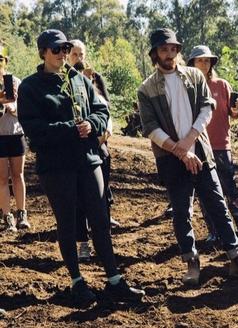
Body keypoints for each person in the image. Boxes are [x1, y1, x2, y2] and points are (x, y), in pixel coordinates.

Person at [18, 29, 144, 307]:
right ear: (42, 52)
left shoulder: (78, 79)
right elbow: (34, 130)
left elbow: (102, 110)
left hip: (89, 161)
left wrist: (93, 124)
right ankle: (77, 281)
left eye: (65, 49)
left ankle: (114, 280)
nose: (62, 55)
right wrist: (72, 130)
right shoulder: (30, 87)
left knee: (100, 219)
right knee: (67, 223)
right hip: (56, 167)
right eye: (56, 50)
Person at [137, 28, 238, 285]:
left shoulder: (195, 76)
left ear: (178, 50)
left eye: (173, 48)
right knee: (181, 211)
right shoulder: (147, 89)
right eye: (163, 49)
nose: (169, 54)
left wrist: (189, 143)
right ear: (155, 53)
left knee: (218, 206)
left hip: (201, 151)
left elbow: (207, 108)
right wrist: (179, 150)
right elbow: (150, 128)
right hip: (170, 157)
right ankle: (191, 262)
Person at [186, 45, 238, 247]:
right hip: (198, 146)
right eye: (199, 60)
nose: (203, 64)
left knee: (231, 190)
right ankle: (214, 233)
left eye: (207, 60)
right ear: (192, 63)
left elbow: (233, 114)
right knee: (205, 191)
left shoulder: (221, 85)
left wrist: (236, 111)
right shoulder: (187, 87)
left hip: (221, 145)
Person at [74, 61, 117, 261]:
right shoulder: (70, 96)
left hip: (100, 152)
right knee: (79, 202)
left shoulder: (99, 97)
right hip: (79, 155)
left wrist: (98, 138)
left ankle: (104, 243)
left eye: (88, 75)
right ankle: (83, 243)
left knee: (102, 199)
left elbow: (108, 124)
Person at [0, 42, 30, 231]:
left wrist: (13, 108)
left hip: (16, 134)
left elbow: (25, 109)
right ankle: (6, 215)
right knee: (2, 179)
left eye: (0, 59)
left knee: (18, 176)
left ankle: (22, 213)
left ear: (5, 61)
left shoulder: (15, 82)